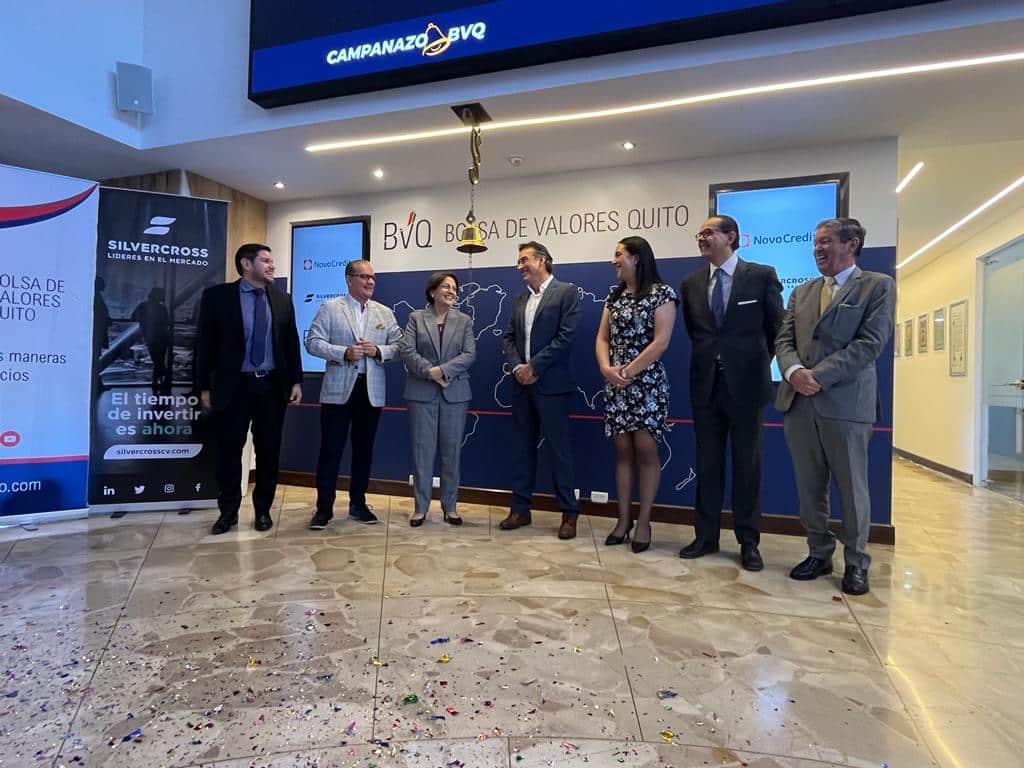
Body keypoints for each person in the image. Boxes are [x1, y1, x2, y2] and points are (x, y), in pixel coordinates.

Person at [775, 217, 895, 595]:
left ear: (851, 243)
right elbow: (784, 339)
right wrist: (793, 371)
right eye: (815, 242)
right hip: (799, 404)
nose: (817, 249)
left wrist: (817, 376)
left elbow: (869, 344)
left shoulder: (877, 286)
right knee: (809, 486)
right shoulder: (802, 292)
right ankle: (818, 552)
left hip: (847, 405)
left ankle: (856, 562)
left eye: (825, 241)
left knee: (852, 488)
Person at [678, 215, 785, 571]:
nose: (701, 238)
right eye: (699, 234)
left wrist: (753, 364)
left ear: (731, 237)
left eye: (708, 232)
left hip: (748, 388)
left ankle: (748, 541)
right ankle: (706, 536)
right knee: (707, 464)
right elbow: (697, 333)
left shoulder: (761, 276)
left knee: (747, 465)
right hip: (706, 386)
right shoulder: (691, 283)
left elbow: (777, 330)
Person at [194, 243, 303, 535]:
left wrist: (295, 381)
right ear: (246, 264)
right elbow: (204, 345)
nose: (272, 265)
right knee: (229, 452)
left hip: (271, 386)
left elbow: (290, 343)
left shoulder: (282, 299)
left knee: (269, 451)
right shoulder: (217, 297)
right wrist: (203, 387)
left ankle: (263, 510)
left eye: (271, 260)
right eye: (265, 261)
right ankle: (228, 512)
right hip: (233, 387)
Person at [306, 259, 402, 530]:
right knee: (330, 450)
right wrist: (343, 352)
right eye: (364, 277)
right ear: (349, 279)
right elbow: (313, 342)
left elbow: (400, 346)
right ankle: (323, 509)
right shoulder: (330, 308)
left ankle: (358, 505)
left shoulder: (384, 313)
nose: (370, 282)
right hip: (338, 391)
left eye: (373, 277)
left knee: (364, 450)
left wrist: (379, 351)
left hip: (370, 392)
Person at [596, 236, 677, 553]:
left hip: (646, 384)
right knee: (623, 451)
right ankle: (623, 520)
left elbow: (661, 342)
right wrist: (607, 369)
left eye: (619, 254)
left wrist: (628, 372)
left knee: (645, 450)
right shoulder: (614, 296)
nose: (614, 260)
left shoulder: (662, 293)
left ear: (637, 258)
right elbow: (602, 338)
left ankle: (643, 522)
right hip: (615, 383)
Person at [499, 241, 582, 539]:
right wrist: (517, 368)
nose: (519, 266)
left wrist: (534, 367)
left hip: (552, 386)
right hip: (522, 386)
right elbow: (509, 338)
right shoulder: (520, 298)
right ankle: (520, 510)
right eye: (519, 261)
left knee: (559, 452)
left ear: (542, 260)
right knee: (522, 449)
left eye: (524, 260)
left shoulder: (567, 293)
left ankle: (569, 513)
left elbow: (565, 337)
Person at [399, 272, 477, 526]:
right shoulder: (416, 318)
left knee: (451, 453)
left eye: (454, 287)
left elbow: (469, 354)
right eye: (446, 286)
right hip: (421, 393)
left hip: (455, 394)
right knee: (422, 452)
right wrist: (429, 372)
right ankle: (420, 508)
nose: (452, 291)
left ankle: (450, 507)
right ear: (432, 291)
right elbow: (407, 350)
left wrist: (442, 371)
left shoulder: (464, 321)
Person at [132, 286, 172, 394]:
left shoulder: (143, 306)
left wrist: (144, 323)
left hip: (151, 337)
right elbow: (167, 322)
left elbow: (133, 317)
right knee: (159, 360)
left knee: (157, 361)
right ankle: (159, 381)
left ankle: (156, 381)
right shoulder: (162, 308)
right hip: (162, 337)